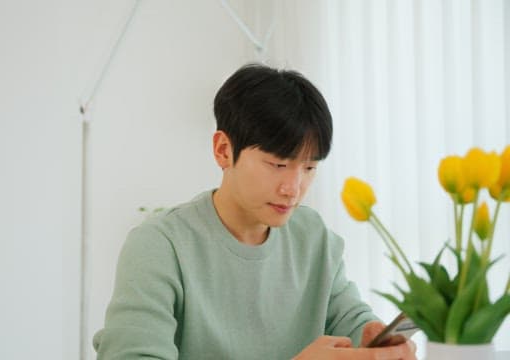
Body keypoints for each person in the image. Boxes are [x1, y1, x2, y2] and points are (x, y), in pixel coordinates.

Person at [93, 64, 417, 359]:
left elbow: (348, 316)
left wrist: (371, 334)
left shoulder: (312, 235)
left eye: (309, 167)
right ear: (223, 150)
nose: (294, 187)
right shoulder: (159, 246)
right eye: (278, 164)